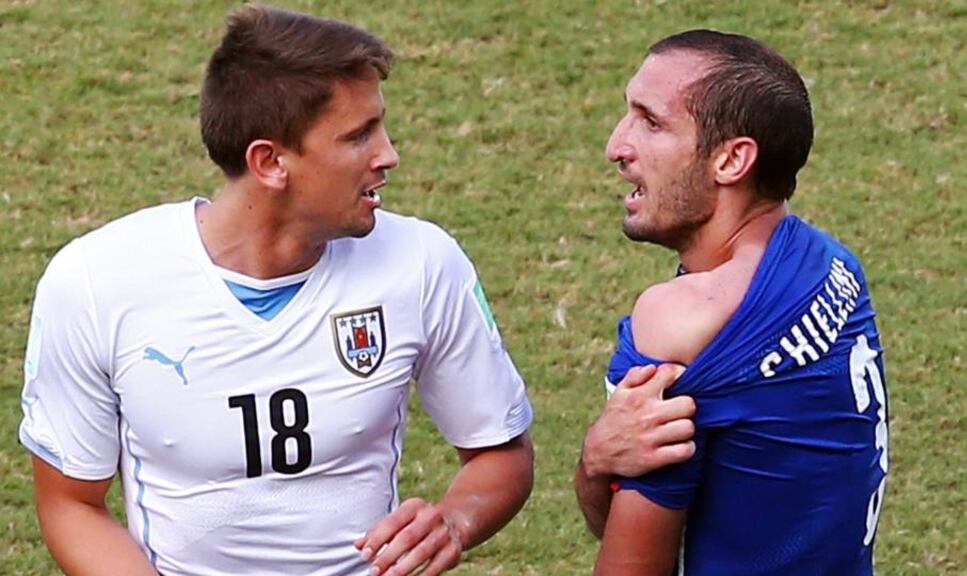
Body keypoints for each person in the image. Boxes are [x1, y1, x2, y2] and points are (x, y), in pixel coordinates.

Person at [19, 5, 533, 575]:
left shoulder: (422, 264)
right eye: (359, 135)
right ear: (269, 162)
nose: (389, 155)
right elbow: (70, 502)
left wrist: (455, 521)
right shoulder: (96, 282)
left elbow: (499, 450)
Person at [574, 30, 888, 575]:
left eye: (651, 123)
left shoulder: (680, 323)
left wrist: (594, 462)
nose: (617, 146)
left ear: (732, 160)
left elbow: (631, 557)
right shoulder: (833, 266)